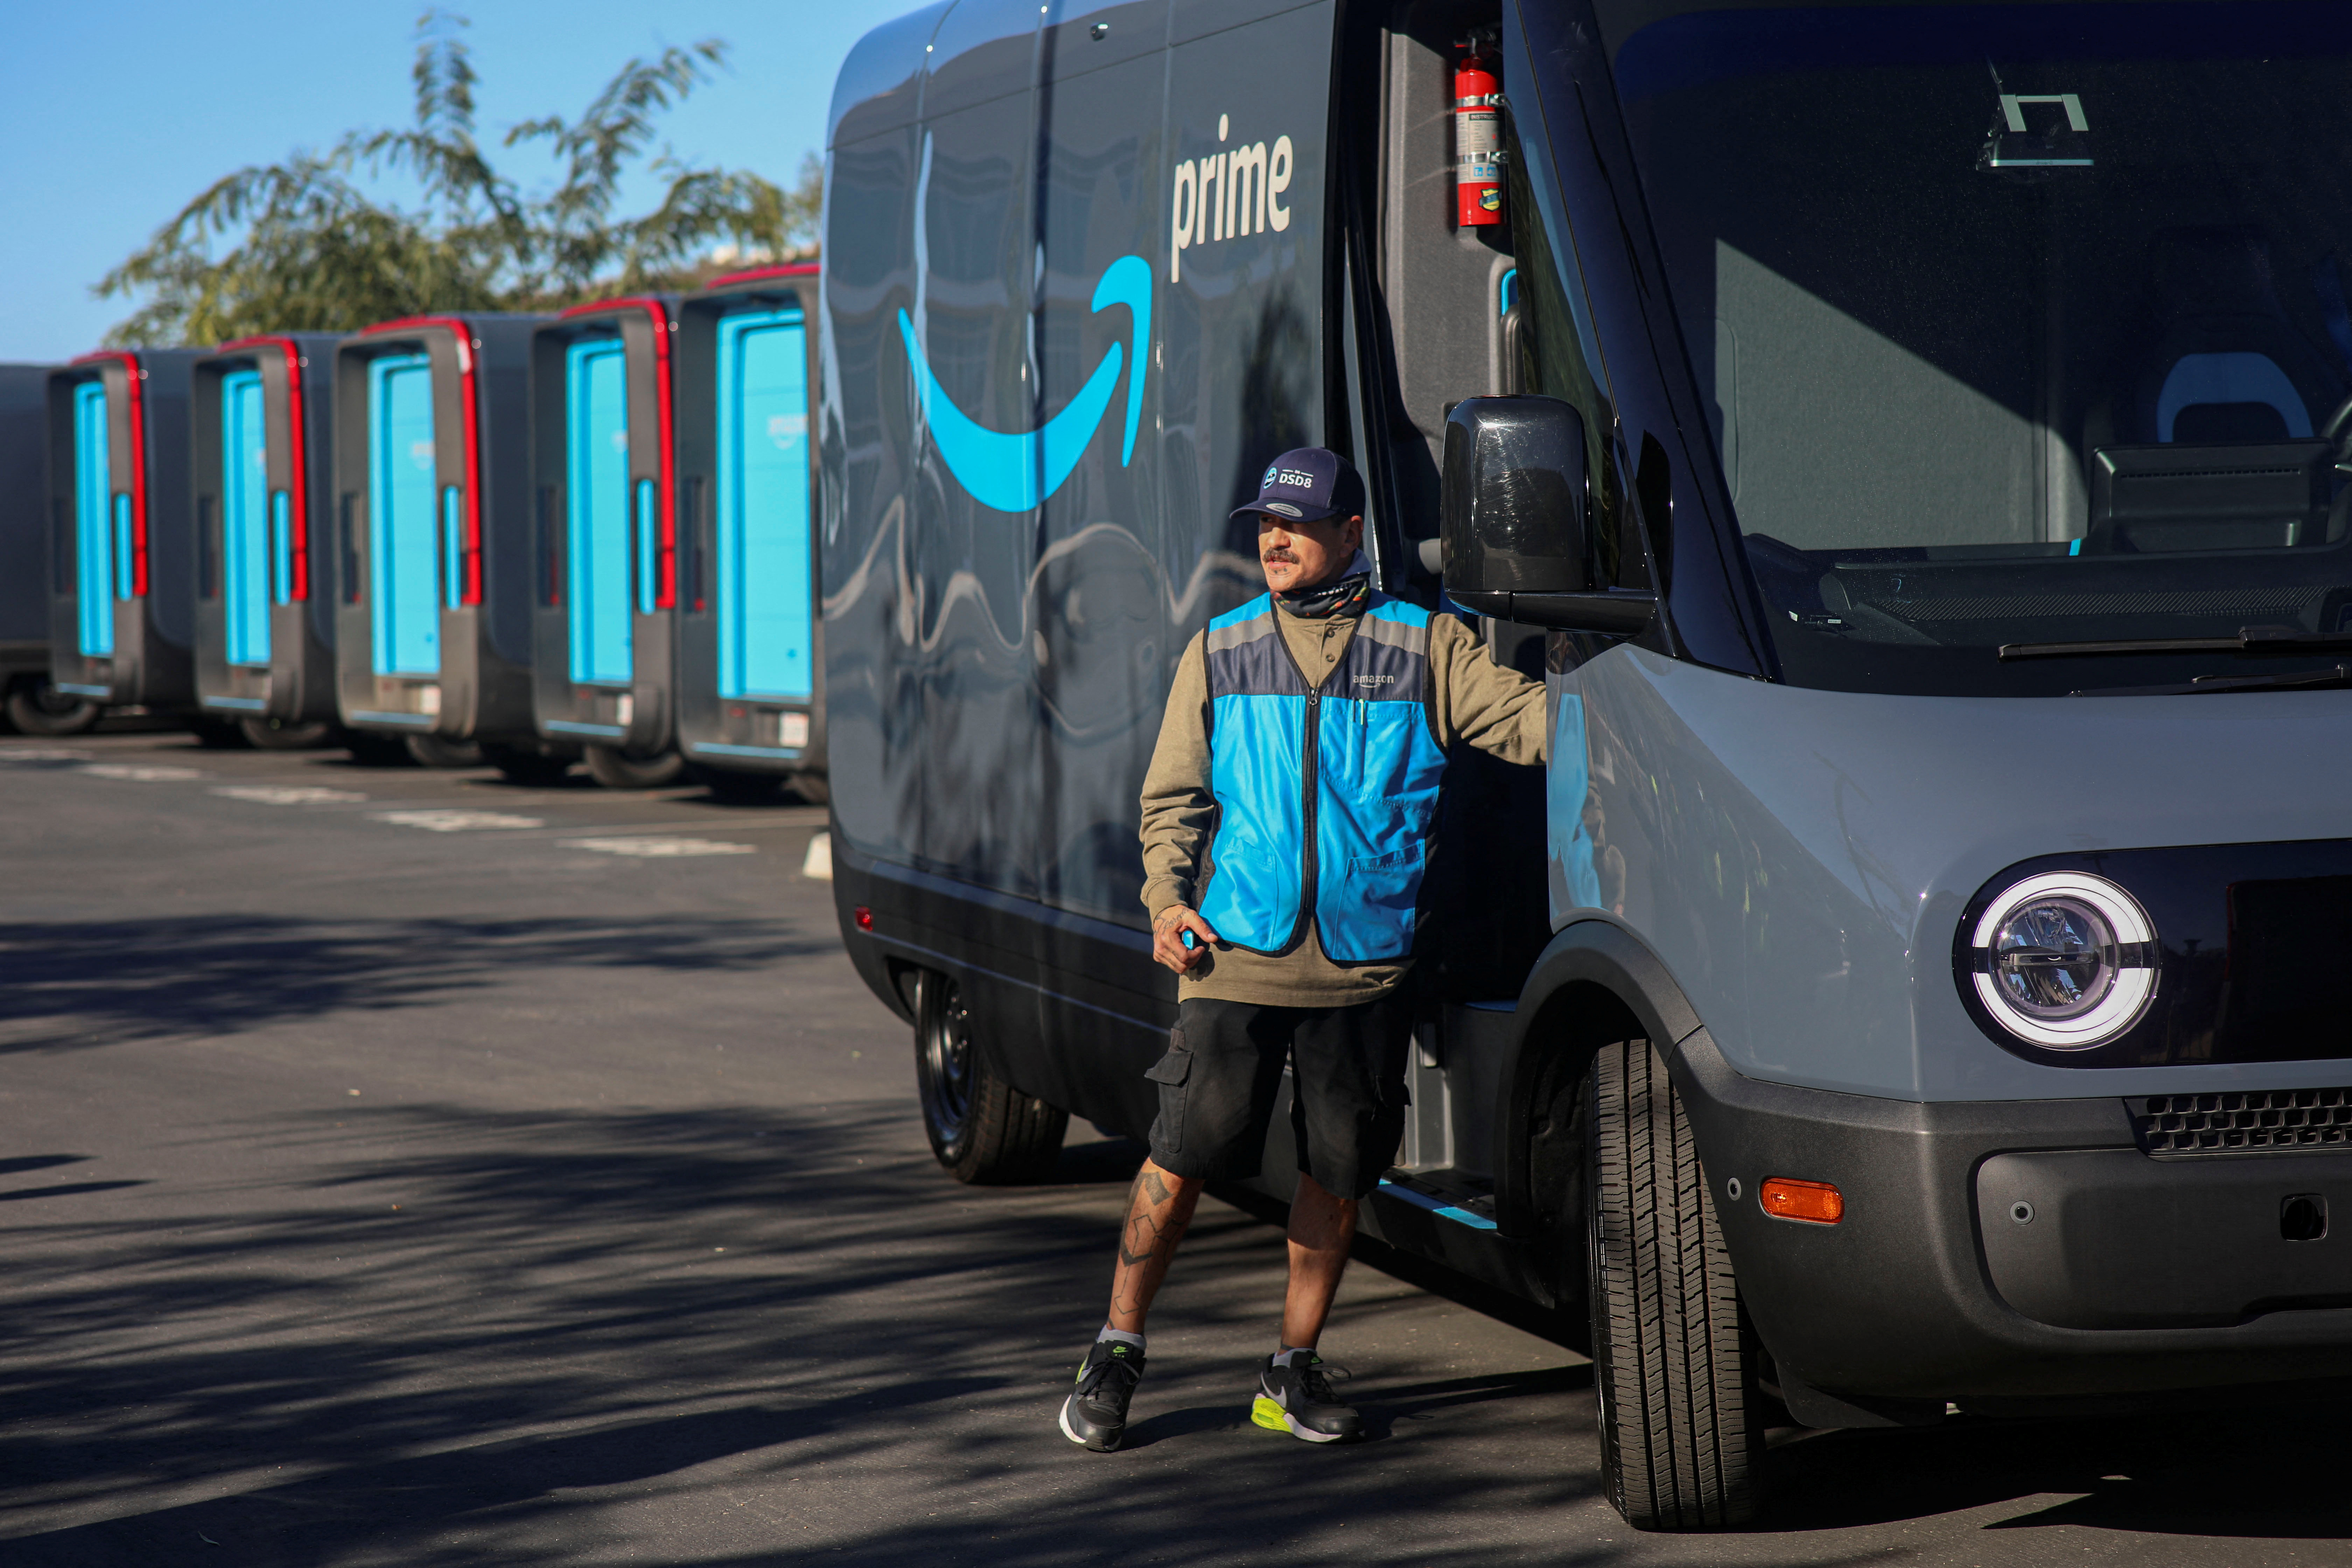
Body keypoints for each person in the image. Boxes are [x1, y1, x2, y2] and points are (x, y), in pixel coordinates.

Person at [1059, 447, 1550, 1452]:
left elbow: (1531, 722)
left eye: (1299, 523)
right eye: (1265, 524)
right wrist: (1165, 898)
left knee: (1340, 1169)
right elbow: (1171, 801)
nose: (1275, 540)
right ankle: (1115, 1350)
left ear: (1352, 534)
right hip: (1232, 956)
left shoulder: (1426, 648)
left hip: (1366, 967)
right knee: (1180, 1154)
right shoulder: (1224, 649)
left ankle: (1289, 1370)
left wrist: (1644, 716)